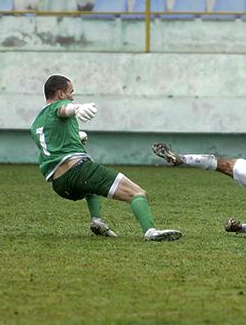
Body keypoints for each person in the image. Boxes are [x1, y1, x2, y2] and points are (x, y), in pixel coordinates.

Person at [31, 74, 182, 242]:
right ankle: (150, 231)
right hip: (78, 171)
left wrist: (75, 137)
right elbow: (63, 108)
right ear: (60, 94)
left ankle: (97, 220)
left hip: (59, 184)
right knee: (138, 193)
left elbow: (53, 143)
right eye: (71, 92)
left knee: (91, 182)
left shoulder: (37, 123)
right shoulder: (60, 106)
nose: (73, 97)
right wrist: (78, 108)